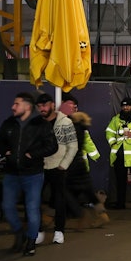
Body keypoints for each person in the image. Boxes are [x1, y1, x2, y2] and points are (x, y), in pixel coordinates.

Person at [0, 92, 58, 257]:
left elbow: (52, 146)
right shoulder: (9, 123)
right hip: (11, 172)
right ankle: (19, 232)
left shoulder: (41, 125)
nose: (13, 107)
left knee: (32, 208)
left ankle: (31, 241)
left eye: (17, 104)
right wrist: (5, 151)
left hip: (33, 173)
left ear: (27, 106)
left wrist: (32, 154)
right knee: (7, 206)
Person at [35, 93, 78, 245]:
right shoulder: (36, 123)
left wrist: (64, 164)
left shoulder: (65, 122)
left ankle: (59, 231)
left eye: (45, 105)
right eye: (39, 106)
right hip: (39, 166)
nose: (42, 109)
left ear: (52, 104)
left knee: (59, 199)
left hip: (58, 167)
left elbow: (73, 145)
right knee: (35, 200)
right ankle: (38, 230)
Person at [59, 94, 106, 225]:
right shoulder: (80, 126)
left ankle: (79, 214)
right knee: (87, 191)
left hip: (71, 164)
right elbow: (87, 143)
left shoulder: (70, 125)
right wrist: (96, 156)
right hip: (80, 164)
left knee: (65, 192)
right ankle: (101, 215)